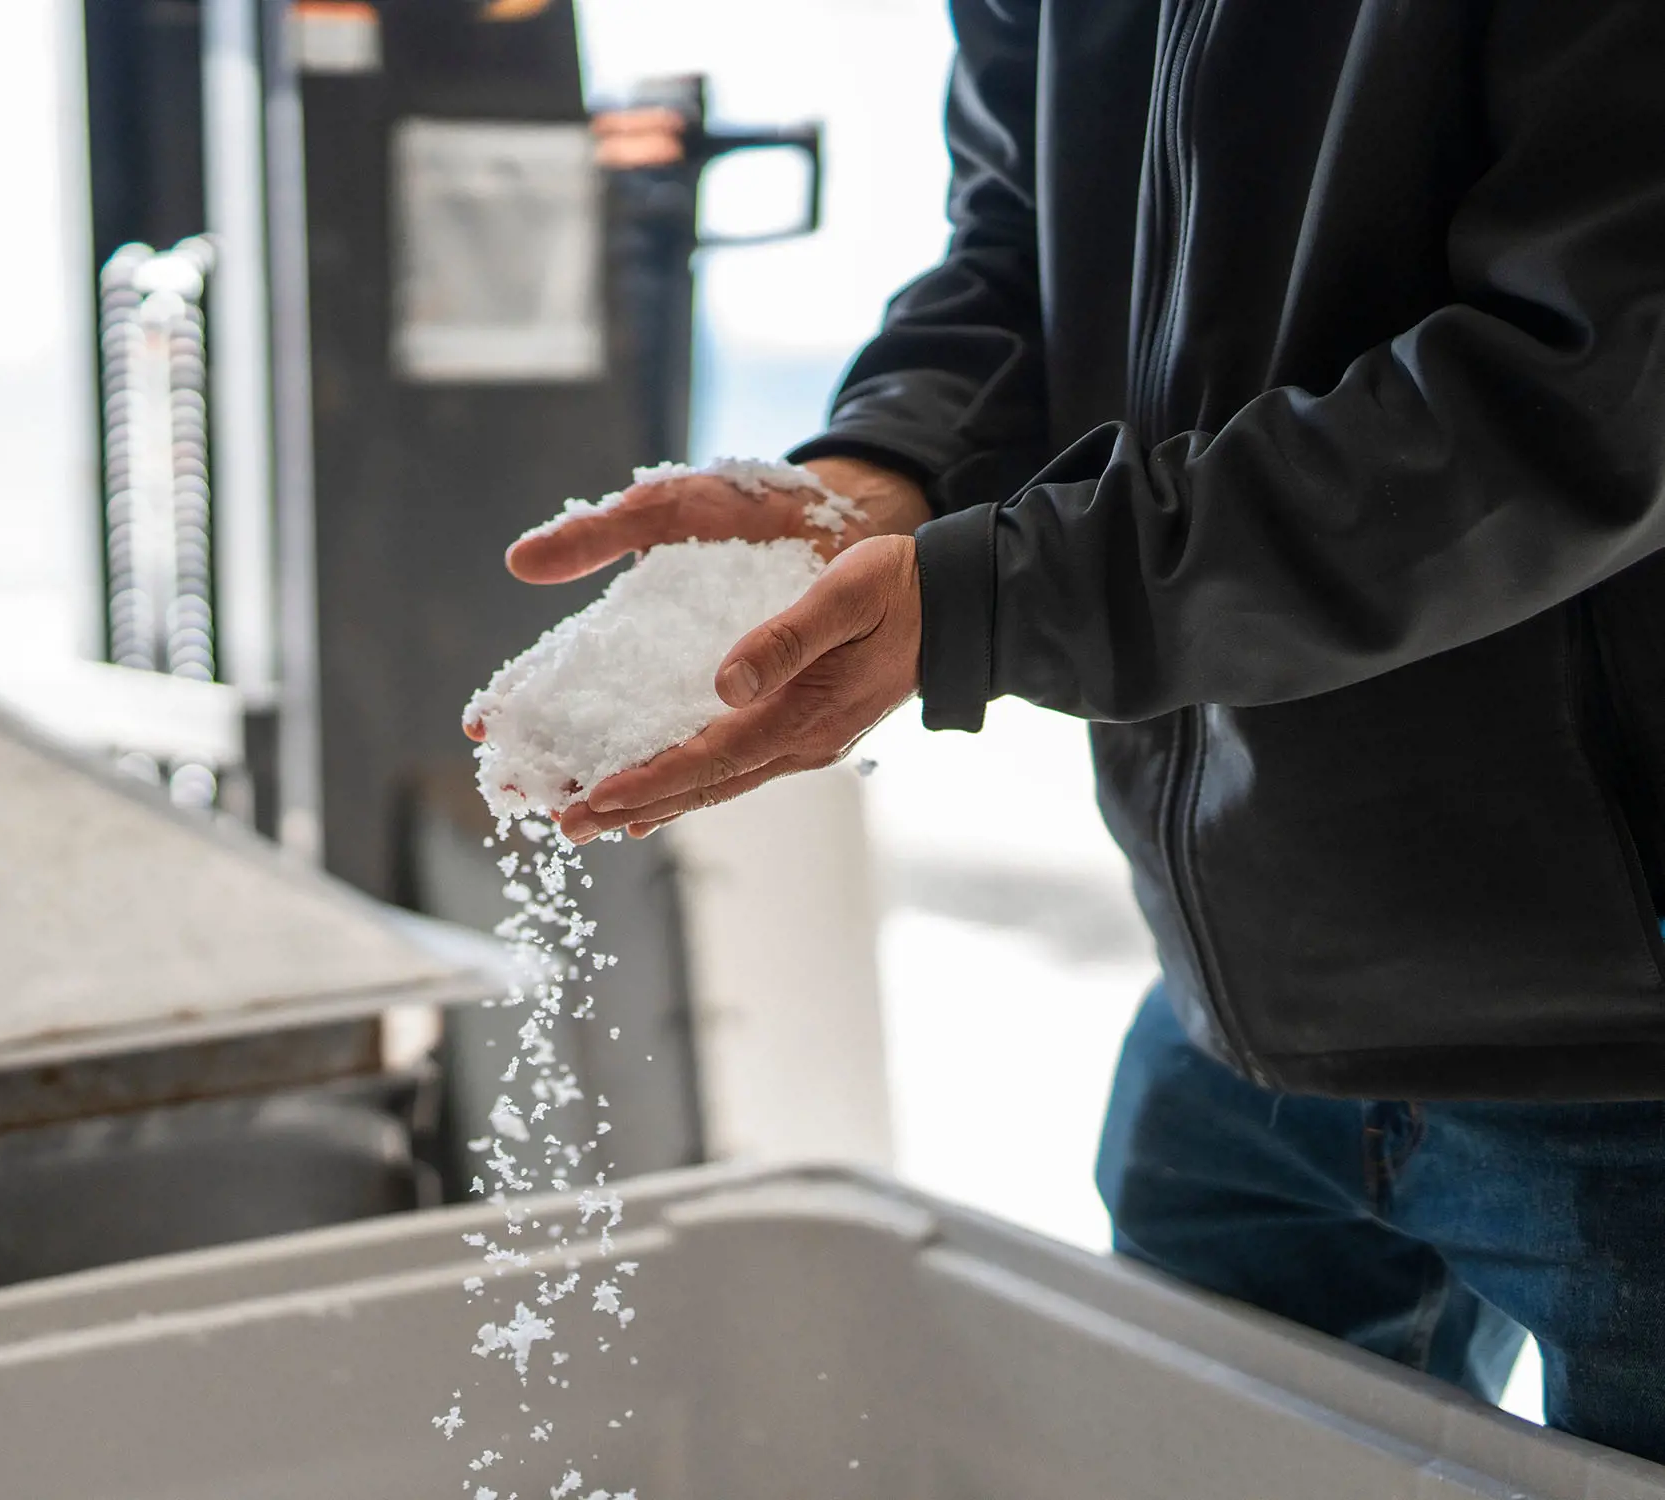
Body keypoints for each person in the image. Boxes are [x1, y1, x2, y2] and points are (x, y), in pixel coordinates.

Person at [481, 0, 1665, 1465]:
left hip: (1611, 1038)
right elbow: (1012, 258)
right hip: (1237, 988)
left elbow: (1588, 390)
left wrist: (999, 597)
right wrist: (876, 470)